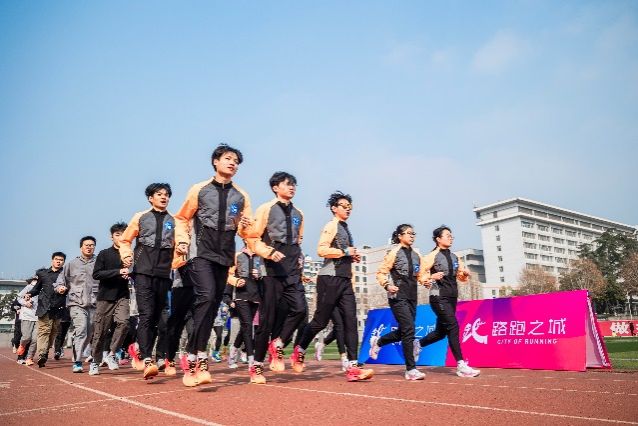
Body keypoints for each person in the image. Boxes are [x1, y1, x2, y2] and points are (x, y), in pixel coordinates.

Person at [174, 144, 252, 387]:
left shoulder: (241, 195)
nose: (233, 163)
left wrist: (245, 225)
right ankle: (192, 359)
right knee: (206, 297)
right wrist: (183, 241)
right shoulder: (199, 189)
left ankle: (199, 356)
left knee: (211, 306)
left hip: (225, 256)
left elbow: (246, 231)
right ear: (215, 161)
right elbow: (182, 218)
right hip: (201, 253)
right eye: (228, 158)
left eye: (236, 161)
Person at [291, 191, 374, 382]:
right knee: (320, 321)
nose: (348, 209)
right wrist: (344, 251)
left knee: (351, 321)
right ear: (334, 208)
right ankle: (300, 349)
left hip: (345, 280)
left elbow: (341, 252)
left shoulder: (345, 227)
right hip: (329, 279)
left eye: (350, 207)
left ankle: (353, 367)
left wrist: (350, 256)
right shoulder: (332, 225)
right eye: (344, 206)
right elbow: (321, 250)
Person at [249, 171, 307, 383]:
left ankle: (278, 342)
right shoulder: (266, 208)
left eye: (294, 184)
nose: (291, 187)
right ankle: (257, 366)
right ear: (275, 187)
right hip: (272, 271)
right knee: (267, 321)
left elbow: (298, 240)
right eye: (287, 184)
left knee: (300, 310)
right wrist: (268, 252)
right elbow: (253, 238)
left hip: (292, 271)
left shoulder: (299, 213)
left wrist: (300, 258)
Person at [120, 183, 175, 380]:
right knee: (146, 315)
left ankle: (143, 350)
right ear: (151, 198)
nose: (164, 197)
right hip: (143, 272)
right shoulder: (140, 217)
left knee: (161, 320)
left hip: (164, 275)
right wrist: (127, 256)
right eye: (159, 194)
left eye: (166, 194)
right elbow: (125, 241)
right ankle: (147, 359)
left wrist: (181, 251)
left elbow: (180, 243)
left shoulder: (174, 220)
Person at [414, 225, 480, 378]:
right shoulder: (431, 256)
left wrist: (465, 273)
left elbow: (461, 277)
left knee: (440, 333)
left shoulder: (455, 257)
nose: (451, 238)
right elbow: (420, 274)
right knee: (453, 326)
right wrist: (431, 277)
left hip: (451, 297)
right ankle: (461, 365)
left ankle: (417, 344)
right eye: (447, 235)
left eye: (451, 236)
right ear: (438, 239)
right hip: (437, 296)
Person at [370, 224, 427, 380]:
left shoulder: (417, 254)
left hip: (412, 296)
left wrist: (427, 280)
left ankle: (379, 342)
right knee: (409, 329)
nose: (412, 236)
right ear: (400, 236)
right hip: (397, 296)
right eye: (408, 233)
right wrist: (387, 285)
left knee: (405, 331)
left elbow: (422, 275)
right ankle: (410, 369)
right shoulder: (393, 253)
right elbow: (381, 272)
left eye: (413, 233)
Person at [88, 222, 131, 376]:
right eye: (117, 234)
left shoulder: (130, 254)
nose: (120, 237)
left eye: (123, 234)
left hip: (122, 296)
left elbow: (136, 271)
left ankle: (112, 354)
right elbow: (97, 274)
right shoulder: (104, 254)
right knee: (100, 331)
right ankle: (95, 361)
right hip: (105, 297)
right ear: (111, 237)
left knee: (124, 323)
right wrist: (118, 272)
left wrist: (130, 274)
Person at [54, 237, 99, 373]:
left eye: (92, 245)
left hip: (94, 303)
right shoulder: (71, 264)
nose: (89, 247)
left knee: (89, 333)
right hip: (76, 302)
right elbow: (60, 280)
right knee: (81, 329)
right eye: (86, 245)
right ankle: (77, 362)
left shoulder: (99, 263)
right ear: (81, 247)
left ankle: (78, 353)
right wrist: (60, 287)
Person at [225, 242, 263, 374]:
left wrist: (259, 275)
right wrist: (236, 282)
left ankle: (233, 350)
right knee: (248, 326)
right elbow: (229, 276)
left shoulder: (260, 257)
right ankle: (251, 359)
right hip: (241, 297)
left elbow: (265, 277)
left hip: (255, 297)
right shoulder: (238, 255)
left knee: (245, 328)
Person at [24, 252, 66, 368]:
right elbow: (36, 288)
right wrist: (29, 294)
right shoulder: (43, 274)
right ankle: (42, 354)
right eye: (56, 259)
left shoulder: (65, 274)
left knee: (53, 333)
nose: (58, 261)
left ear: (64, 262)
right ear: (52, 260)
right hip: (44, 306)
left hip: (58, 307)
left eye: (61, 260)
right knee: (44, 331)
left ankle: (45, 351)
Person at [16, 275, 39, 365]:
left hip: (39, 317)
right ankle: (22, 346)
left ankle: (29, 357)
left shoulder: (44, 288)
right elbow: (19, 298)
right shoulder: (29, 287)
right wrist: (25, 303)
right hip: (27, 316)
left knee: (35, 339)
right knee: (26, 337)